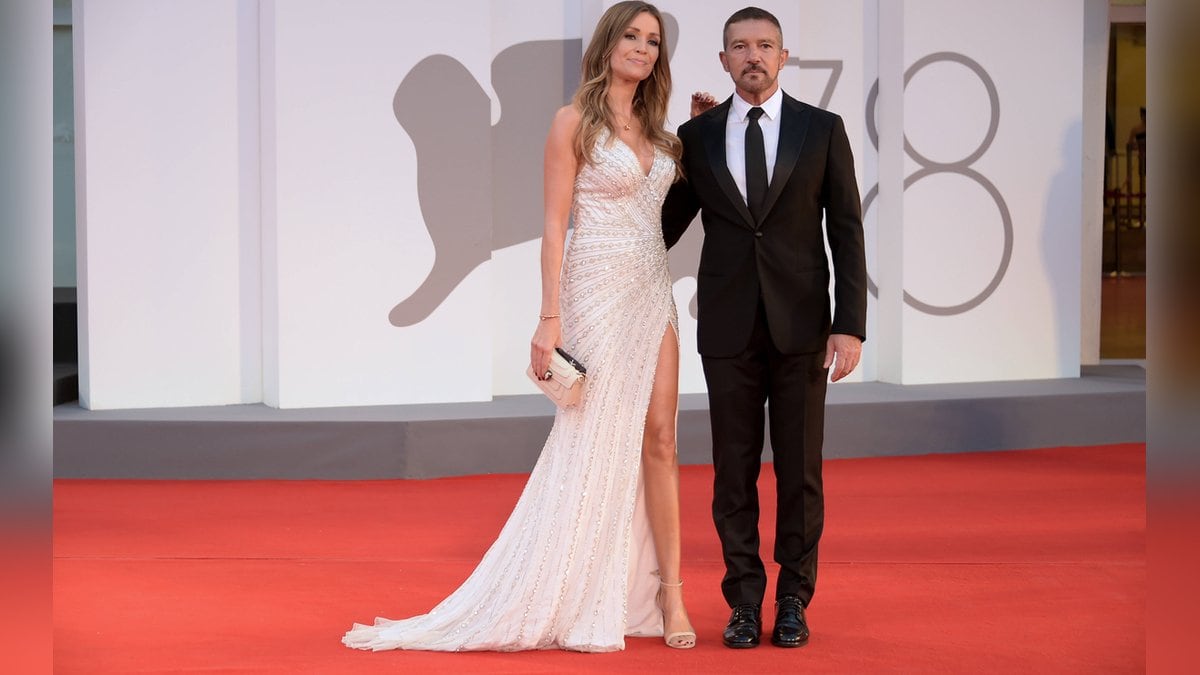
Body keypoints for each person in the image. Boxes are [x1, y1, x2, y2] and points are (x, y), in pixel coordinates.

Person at [343, 1, 695, 652]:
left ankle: (669, 593)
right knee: (593, 438)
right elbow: (555, 226)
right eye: (632, 35)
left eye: (653, 41)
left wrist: (698, 132)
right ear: (609, 42)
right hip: (594, 291)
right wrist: (549, 316)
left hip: (654, 290)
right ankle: (573, 584)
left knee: (662, 438)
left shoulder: (664, 135)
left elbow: (671, 207)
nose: (643, 48)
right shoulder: (571, 123)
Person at [661, 7, 867, 649]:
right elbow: (663, 226)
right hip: (726, 328)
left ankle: (796, 600)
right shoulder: (697, 138)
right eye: (739, 47)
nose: (753, 55)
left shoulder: (822, 129)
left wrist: (849, 325)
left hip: (804, 327)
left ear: (783, 57)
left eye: (765, 45)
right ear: (723, 61)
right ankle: (744, 602)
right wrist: (669, 151)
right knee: (733, 471)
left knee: (801, 472)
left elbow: (847, 232)